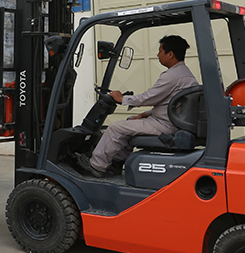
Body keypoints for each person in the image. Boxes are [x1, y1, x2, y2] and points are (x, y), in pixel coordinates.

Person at [79, 34, 199, 177]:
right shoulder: (186, 74)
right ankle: (116, 163)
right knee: (130, 122)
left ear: (170, 54)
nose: (158, 55)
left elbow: (149, 97)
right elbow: (170, 104)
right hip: (170, 122)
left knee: (115, 128)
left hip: (165, 125)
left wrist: (122, 99)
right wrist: (144, 114)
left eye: (160, 51)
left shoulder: (172, 76)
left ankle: (96, 166)